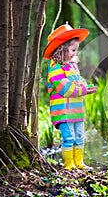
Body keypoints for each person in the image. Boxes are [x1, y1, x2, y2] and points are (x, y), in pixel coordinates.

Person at [43, 23, 97, 170]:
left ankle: (79, 162)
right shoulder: (55, 68)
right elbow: (66, 88)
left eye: (75, 50)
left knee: (79, 136)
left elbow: (77, 82)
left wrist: (86, 86)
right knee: (69, 137)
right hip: (63, 111)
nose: (75, 53)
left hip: (76, 110)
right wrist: (83, 90)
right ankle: (69, 164)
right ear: (61, 49)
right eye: (73, 50)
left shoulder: (72, 66)